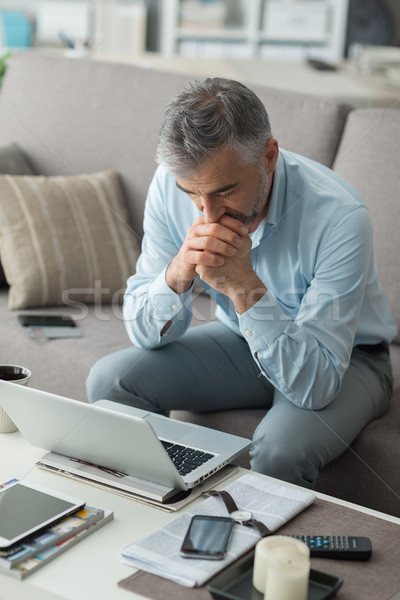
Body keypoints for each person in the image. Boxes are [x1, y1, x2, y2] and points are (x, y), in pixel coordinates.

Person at [86, 78, 397, 489]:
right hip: (242, 340)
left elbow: (317, 385)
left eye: (225, 191)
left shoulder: (341, 216)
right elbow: (143, 333)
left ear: (269, 156)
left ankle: (257, 551)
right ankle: (166, 517)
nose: (209, 215)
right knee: (109, 381)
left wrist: (243, 287)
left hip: (345, 359)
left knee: (280, 449)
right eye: (193, 195)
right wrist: (178, 271)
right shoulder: (169, 184)